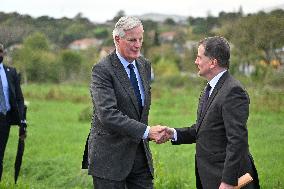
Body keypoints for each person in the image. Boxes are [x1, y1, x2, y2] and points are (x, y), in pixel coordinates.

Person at [162, 36, 260, 189]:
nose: (196, 61)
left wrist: (228, 181)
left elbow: (237, 140)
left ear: (213, 62)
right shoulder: (209, 89)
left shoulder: (233, 91)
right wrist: (174, 133)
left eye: (199, 57)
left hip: (229, 180)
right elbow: (204, 129)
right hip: (210, 177)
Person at [88, 16, 166, 189]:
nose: (138, 45)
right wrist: (147, 131)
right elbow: (108, 114)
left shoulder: (144, 65)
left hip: (139, 155)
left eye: (140, 39)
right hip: (109, 159)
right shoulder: (102, 70)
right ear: (117, 39)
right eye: (132, 40)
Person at [0, 43, 26, 181]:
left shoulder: (11, 72)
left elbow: (19, 98)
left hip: (4, 120)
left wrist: (22, 120)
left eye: (1, 51)